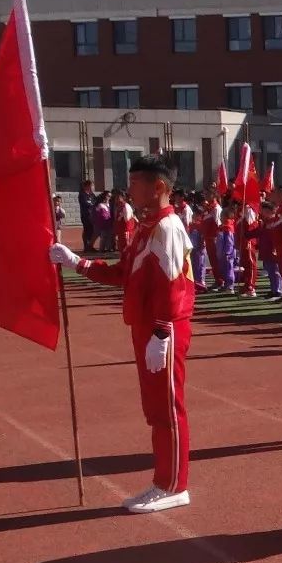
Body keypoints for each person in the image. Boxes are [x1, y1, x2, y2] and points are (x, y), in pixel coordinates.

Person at [48, 155, 196, 512]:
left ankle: (174, 484)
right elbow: (123, 274)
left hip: (164, 328)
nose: (128, 190)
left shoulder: (168, 227)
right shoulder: (145, 228)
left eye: (134, 183)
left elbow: (174, 287)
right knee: (155, 409)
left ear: (158, 187)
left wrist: (161, 334)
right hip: (146, 326)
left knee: (168, 408)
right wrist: (77, 263)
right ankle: (163, 480)